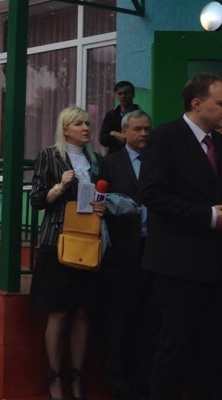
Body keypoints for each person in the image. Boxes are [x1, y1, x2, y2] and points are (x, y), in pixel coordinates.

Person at [139, 72, 222, 400]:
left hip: (213, 265)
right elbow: (152, 192)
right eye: (220, 103)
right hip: (177, 266)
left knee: (211, 347)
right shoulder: (166, 137)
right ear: (197, 103)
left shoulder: (217, 142)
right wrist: (208, 216)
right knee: (176, 345)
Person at [30, 107, 106, 400]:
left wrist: (101, 204)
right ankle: (54, 377)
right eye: (79, 124)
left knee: (83, 311)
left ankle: (76, 377)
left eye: (87, 123)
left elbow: (100, 195)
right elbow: (37, 200)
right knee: (59, 311)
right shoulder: (49, 156)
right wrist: (60, 186)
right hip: (58, 241)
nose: (86, 128)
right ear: (65, 129)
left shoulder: (95, 160)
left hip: (88, 242)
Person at [100, 110, 157, 400]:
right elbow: (100, 204)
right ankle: (117, 380)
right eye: (137, 129)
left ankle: (145, 379)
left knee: (150, 320)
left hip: (154, 251)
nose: (143, 133)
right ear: (124, 132)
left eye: (147, 128)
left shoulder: (158, 161)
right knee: (120, 318)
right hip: (122, 255)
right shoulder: (110, 164)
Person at [100, 81, 140, 155]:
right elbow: (103, 140)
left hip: (134, 155)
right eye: (120, 93)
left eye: (126, 93)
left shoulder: (140, 116)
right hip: (114, 156)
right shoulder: (111, 115)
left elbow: (138, 140)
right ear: (116, 95)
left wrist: (114, 133)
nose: (123, 96)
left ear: (133, 94)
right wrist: (121, 140)